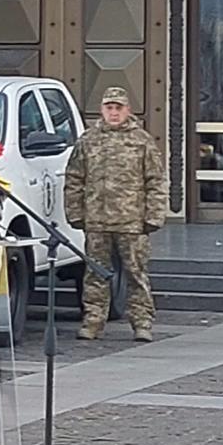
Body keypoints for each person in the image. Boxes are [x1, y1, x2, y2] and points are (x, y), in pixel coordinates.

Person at [67, 85, 165, 343]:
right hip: (97, 221)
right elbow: (74, 179)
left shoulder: (142, 141)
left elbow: (155, 180)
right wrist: (75, 212)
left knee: (136, 274)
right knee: (95, 274)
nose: (113, 113)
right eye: (109, 108)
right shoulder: (88, 141)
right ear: (102, 110)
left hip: (132, 221)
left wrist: (154, 216)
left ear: (127, 110)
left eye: (118, 108)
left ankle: (142, 323)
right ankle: (93, 321)